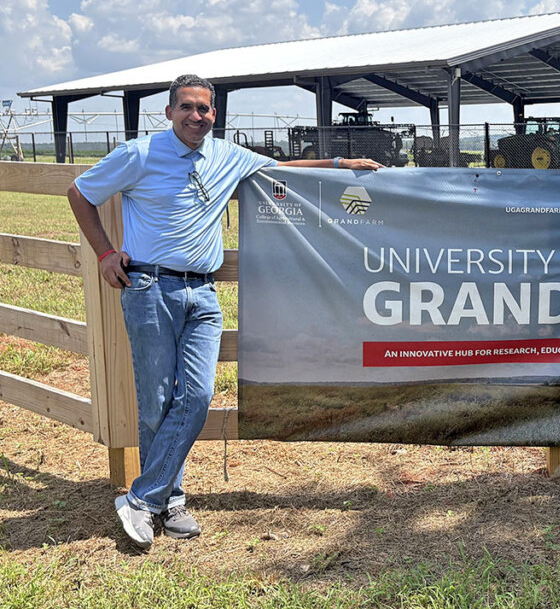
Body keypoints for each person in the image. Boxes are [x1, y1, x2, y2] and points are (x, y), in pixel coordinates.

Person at [68, 74, 383, 549]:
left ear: (215, 113)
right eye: (188, 108)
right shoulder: (140, 154)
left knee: (196, 397)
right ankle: (170, 501)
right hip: (150, 287)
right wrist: (105, 253)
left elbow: (283, 166)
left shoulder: (228, 155)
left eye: (205, 109)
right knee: (155, 403)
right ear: (170, 112)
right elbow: (80, 193)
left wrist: (340, 162)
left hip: (205, 295)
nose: (198, 117)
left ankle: (140, 499)